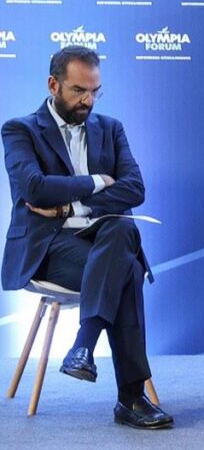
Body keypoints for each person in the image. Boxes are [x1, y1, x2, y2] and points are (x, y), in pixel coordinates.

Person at [1, 46, 173, 429]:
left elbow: (135, 188)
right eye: (79, 90)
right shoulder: (20, 130)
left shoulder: (110, 128)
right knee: (127, 272)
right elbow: (34, 188)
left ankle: (83, 345)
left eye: (95, 91)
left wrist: (68, 206)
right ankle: (131, 399)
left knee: (123, 229)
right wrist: (96, 182)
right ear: (53, 85)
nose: (88, 101)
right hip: (47, 247)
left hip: (102, 238)